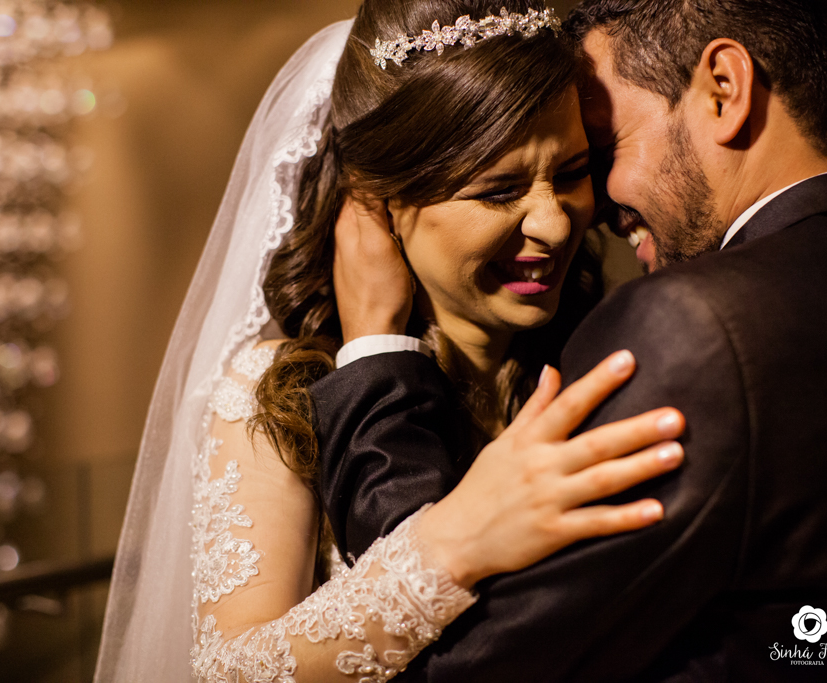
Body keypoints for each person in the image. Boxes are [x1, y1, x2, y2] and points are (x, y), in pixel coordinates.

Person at [93, 3, 689, 682]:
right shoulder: (276, 396)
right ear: (376, 203)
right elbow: (230, 671)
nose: (554, 225)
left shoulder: (603, 357)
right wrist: (456, 541)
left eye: (573, 172)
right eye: (499, 190)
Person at [311, 0, 827, 680]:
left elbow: (456, 660)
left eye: (597, 154)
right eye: (499, 187)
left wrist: (375, 353)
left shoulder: (690, 327)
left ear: (724, 89)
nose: (590, 216)